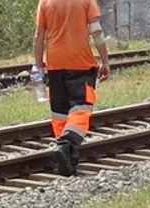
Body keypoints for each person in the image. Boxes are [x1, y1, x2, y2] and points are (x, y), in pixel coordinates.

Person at [34, 0, 110, 176]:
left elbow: (39, 34)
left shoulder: (45, 2)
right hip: (81, 64)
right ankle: (66, 145)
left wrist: (38, 65)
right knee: (81, 109)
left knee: (60, 113)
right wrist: (105, 61)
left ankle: (68, 159)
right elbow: (96, 32)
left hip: (54, 65)